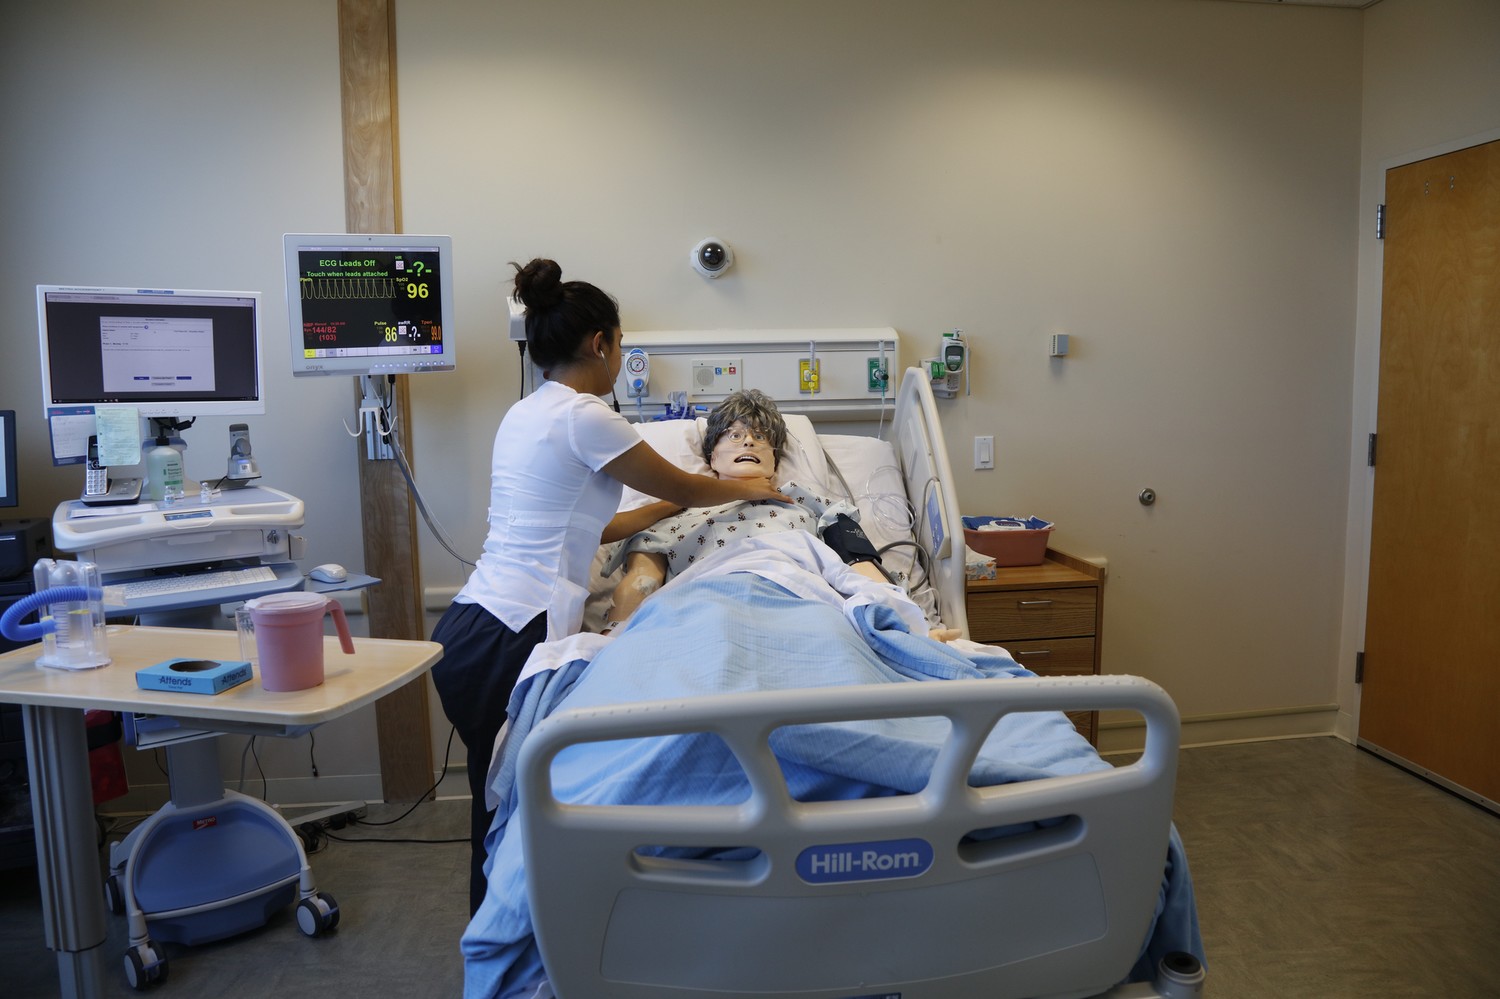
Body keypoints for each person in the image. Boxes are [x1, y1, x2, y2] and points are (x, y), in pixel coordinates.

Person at [429, 260, 789, 915]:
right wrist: (743, 487)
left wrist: (665, 513)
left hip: (471, 627)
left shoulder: (527, 413)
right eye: (620, 345)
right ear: (599, 343)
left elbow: (587, 527)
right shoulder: (587, 417)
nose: (620, 359)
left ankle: (507, 931)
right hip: (516, 634)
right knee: (515, 808)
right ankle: (514, 938)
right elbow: (682, 484)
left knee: (503, 803)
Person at [604, 388, 896, 625]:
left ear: (774, 461)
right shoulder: (676, 514)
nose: (748, 443)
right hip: (699, 610)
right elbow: (641, 583)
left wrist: (897, 617)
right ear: (712, 458)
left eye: (760, 438)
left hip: (800, 606)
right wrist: (610, 639)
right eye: (734, 435)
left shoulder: (808, 503)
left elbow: (859, 566)